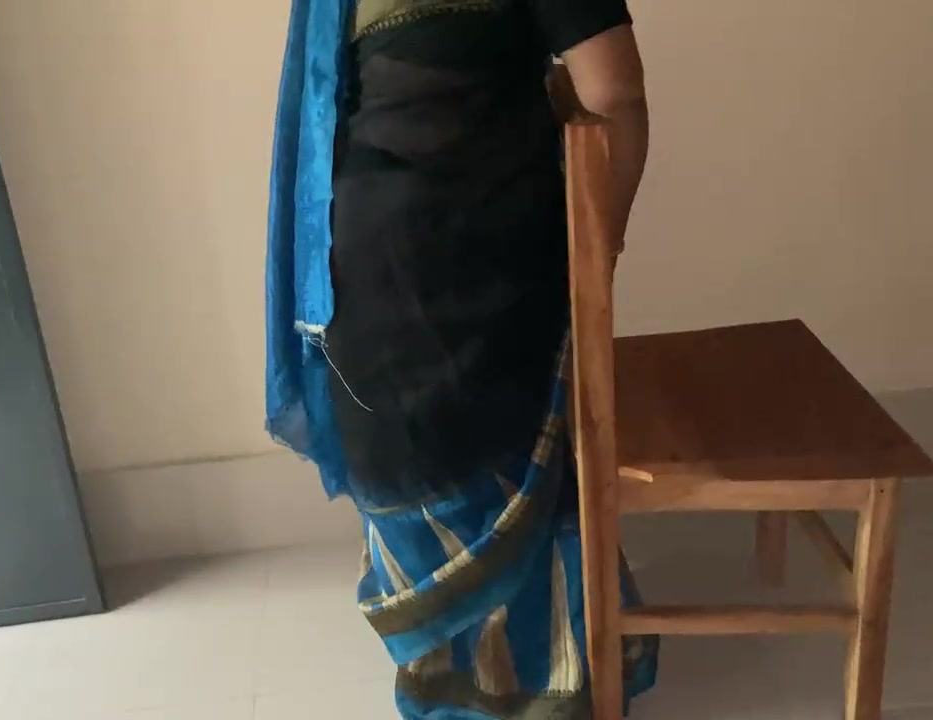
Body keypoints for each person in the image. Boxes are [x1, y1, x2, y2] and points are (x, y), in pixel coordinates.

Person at [265, 0, 652, 716]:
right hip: (476, 260)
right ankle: (541, 683)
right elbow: (614, 92)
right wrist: (601, 249)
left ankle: (455, 685)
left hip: (354, 266)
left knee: (422, 462)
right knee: (489, 453)